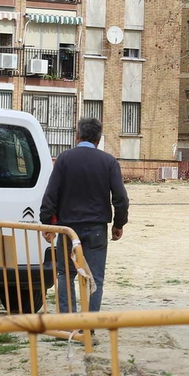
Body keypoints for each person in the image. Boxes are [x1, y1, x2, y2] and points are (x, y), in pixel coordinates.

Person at [40, 117, 127, 313]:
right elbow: (121, 197)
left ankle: (68, 321)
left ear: (77, 136)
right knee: (95, 278)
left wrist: (47, 222)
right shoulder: (108, 162)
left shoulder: (64, 159)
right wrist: (119, 223)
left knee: (65, 274)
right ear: (99, 139)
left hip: (68, 228)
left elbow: (51, 193)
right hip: (96, 228)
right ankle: (89, 324)